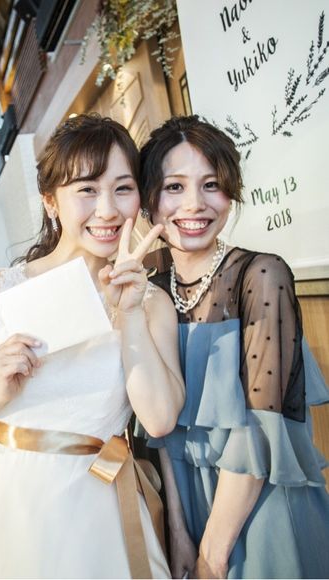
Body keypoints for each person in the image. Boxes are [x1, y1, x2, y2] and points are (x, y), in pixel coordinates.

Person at [0, 113, 185, 578]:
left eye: (123, 188)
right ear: (51, 201)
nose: (107, 210)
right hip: (13, 501)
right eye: (87, 190)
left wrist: (130, 314)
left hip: (102, 501)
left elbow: (159, 420)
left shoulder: (151, 303)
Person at [139, 114, 329, 578]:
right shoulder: (150, 290)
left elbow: (259, 434)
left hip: (261, 509)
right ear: (149, 200)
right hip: (191, 512)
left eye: (211, 185)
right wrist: (179, 532)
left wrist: (213, 554)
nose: (195, 204)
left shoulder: (262, 277)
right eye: (174, 187)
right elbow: (163, 435)